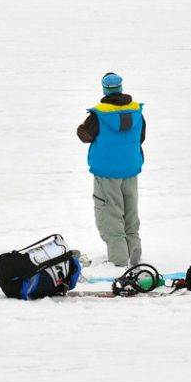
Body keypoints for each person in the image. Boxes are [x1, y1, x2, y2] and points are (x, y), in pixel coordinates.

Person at [76, 72, 145, 268]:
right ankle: (134, 255)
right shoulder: (137, 112)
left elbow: (85, 135)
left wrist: (80, 130)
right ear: (121, 88)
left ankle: (118, 261)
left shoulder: (99, 115)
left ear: (105, 89)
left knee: (110, 214)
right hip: (130, 170)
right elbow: (141, 137)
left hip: (106, 173)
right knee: (130, 212)